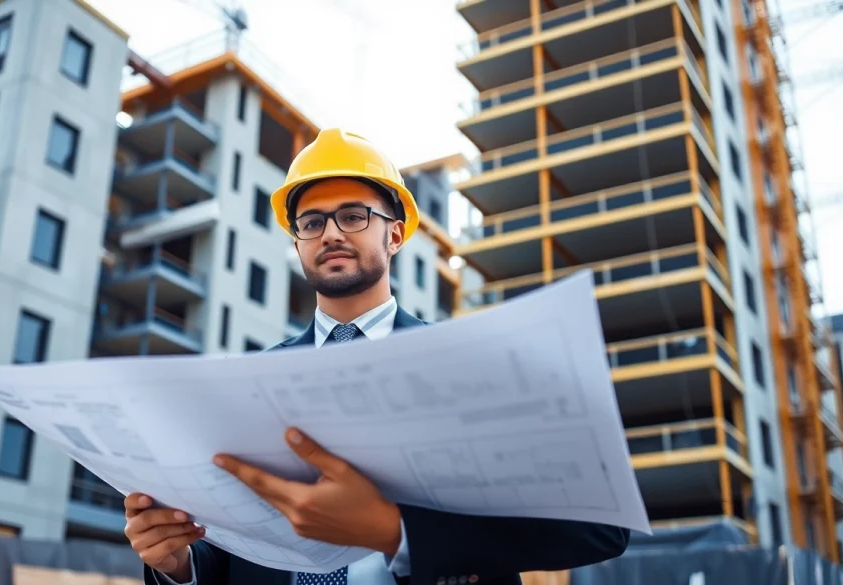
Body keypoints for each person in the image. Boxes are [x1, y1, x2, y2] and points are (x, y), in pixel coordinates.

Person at [123, 129, 630, 585]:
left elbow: (597, 528)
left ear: (395, 234)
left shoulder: (473, 367)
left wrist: (398, 532)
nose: (330, 233)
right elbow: (234, 560)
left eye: (352, 215)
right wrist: (177, 566)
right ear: (298, 243)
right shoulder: (248, 387)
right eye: (312, 222)